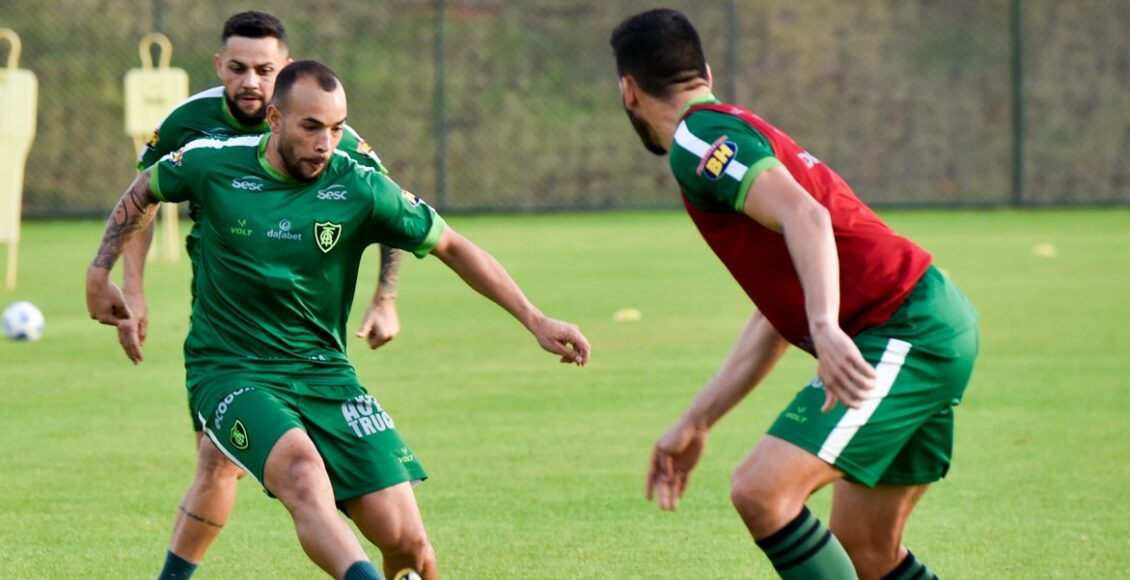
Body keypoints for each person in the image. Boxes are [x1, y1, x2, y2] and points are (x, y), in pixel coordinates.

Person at [87, 59, 591, 579]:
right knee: (303, 477)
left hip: (326, 374)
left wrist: (535, 320)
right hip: (232, 372)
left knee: (410, 546)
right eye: (311, 127)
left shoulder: (360, 186)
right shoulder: (212, 163)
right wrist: (102, 272)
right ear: (276, 119)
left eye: (335, 127)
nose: (326, 143)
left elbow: (453, 246)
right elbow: (144, 189)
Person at [611, 9, 978, 580]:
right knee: (867, 553)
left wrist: (828, 326)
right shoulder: (730, 128)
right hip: (924, 321)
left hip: (905, 327)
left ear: (628, 91)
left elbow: (807, 216)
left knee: (761, 491)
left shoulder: (697, 139)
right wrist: (700, 419)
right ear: (704, 71)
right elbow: (774, 317)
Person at [120, 12, 408, 578]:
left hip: (305, 339)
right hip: (228, 329)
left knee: (224, 461)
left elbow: (390, 207)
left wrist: (386, 298)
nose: (249, 81)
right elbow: (142, 200)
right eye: (237, 68)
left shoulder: (321, 126)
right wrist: (133, 289)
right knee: (216, 461)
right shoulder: (190, 122)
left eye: (264, 69)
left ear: (283, 72)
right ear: (217, 65)